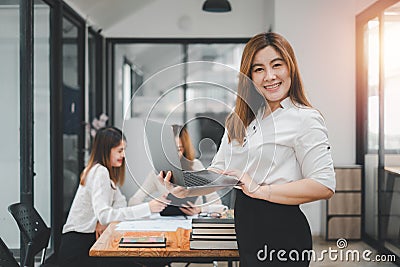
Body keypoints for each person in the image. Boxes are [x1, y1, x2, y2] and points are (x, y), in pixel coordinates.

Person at [160, 32, 335, 266]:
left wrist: (260, 190)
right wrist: (184, 186)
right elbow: (219, 173)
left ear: (290, 67)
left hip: (283, 232)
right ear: (249, 76)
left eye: (277, 65)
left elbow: (324, 184)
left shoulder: (305, 118)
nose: (270, 76)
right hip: (247, 231)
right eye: (259, 69)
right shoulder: (240, 120)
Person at [58, 127, 169, 267]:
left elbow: (119, 207)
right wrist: (148, 207)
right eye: (119, 150)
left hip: (90, 243)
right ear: (106, 150)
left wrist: (101, 220)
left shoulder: (107, 175)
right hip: (79, 250)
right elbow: (105, 214)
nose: (123, 155)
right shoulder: (100, 172)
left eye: (124, 150)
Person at [129, 124, 222, 215]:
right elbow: (133, 202)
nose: (174, 156)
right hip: (168, 225)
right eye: (170, 150)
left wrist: (200, 209)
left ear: (185, 149)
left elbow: (218, 204)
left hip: (192, 223)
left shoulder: (195, 166)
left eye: (178, 150)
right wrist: (151, 205)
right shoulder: (158, 173)